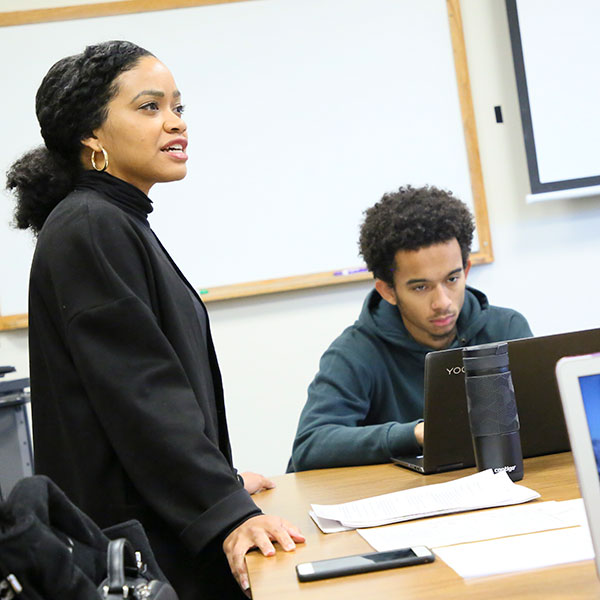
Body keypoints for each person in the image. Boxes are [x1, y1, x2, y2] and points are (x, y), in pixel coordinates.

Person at [6, 40, 304, 600]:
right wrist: (225, 511)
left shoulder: (113, 220)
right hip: (140, 551)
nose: (174, 123)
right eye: (149, 107)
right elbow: (141, 394)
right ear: (91, 135)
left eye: (178, 107)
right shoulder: (92, 225)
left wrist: (223, 482)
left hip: (156, 525)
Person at [288, 185, 532, 472]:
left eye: (452, 279)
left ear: (466, 271)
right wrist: (416, 433)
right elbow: (310, 445)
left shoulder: (506, 328)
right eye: (420, 287)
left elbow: (544, 419)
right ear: (388, 291)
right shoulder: (354, 352)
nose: (442, 302)